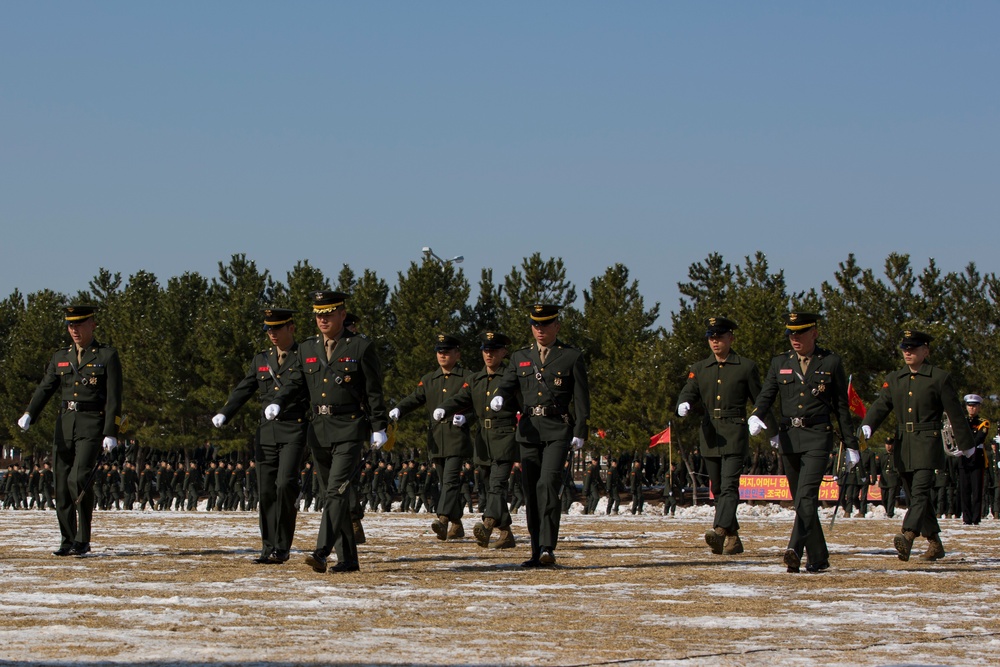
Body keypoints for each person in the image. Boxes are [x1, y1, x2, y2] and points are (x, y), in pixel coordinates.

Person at [266, 291, 388, 574]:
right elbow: (295, 381)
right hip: (319, 431)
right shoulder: (308, 349)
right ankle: (348, 559)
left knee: (336, 491)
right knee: (334, 495)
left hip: (349, 428)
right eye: (319, 314)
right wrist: (278, 401)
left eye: (329, 314)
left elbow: (374, 391)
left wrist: (379, 426)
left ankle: (321, 551)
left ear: (342, 315)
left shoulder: (359, 346)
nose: (322, 319)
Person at [749, 312, 858, 573]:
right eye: (790, 334)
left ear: (814, 333)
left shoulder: (830, 362)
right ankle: (818, 557)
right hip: (789, 438)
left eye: (800, 333)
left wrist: (852, 445)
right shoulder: (780, 363)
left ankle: (794, 549)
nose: (794, 338)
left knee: (807, 495)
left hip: (818, 436)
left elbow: (841, 407)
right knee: (801, 501)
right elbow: (766, 396)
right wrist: (756, 415)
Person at [17, 304, 123, 556]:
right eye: (70, 325)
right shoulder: (59, 357)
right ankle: (67, 540)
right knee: (62, 485)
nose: (73, 329)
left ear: (92, 324)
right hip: (64, 424)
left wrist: (111, 431)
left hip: (92, 423)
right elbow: (46, 388)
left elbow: (114, 398)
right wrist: (30, 412)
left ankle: (82, 538)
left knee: (79, 479)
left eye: (79, 324)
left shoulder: (106, 355)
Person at [860, 330, 974, 561]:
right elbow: (882, 405)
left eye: (913, 348)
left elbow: (955, 412)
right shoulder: (895, 378)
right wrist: (867, 425)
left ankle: (908, 534)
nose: (908, 352)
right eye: (905, 348)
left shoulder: (939, 378)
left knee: (921, 493)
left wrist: (966, 443)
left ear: (925, 351)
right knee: (915, 497)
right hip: (904, 446)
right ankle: (935, 544)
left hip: (928, 444)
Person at [493, 304, 590, 567]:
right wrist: (500, 396)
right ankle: (536, 551)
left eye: (545, 324)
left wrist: (581, 430)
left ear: (556, 326)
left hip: (558, 429)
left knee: (547, 484)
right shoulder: (520, 357)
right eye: (536, 324)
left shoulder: (570, 356)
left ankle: (548, 547)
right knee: (531, 491)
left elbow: (581, 398)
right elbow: (508, 383)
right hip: (529, 431)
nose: (540, 329)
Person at [676, 316, 767, 556]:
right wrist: (683, 402)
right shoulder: (699, 368)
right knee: (717, 486)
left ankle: (719, 531)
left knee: (729, 486)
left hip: (735, 431)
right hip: (710, 433)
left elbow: (760, 399)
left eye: (720, 337)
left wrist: (760, 419)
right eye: (712, 338)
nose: (715, 342)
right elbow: (689, 390)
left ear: (731, 338)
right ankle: (733, 538)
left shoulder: (745, 367)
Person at [435, 331, 520, 549]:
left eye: (494, 350)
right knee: (488, 485)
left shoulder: (511, 378)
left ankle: (488, 523)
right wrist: (444, 408)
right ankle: (506, 533)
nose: (489, 354)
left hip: (505, 437)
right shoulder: (475, 379)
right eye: (485, 350)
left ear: (503, 352)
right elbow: (461, 399)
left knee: (497, 485)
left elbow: (524, 406)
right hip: (483, 440)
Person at [392, 333, 473, 541]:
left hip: (457, 436)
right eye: (439, 352)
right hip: (437, 438)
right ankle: (457, 523)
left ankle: (443, 519)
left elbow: (478, 406)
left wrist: (466, 418)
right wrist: (399, 410)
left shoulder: (468, 377)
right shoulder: (429, 379)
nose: (442, 355)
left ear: (457, 354)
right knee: (445, 481)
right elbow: (415, 399)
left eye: (447, 352)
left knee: (451, 480)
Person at [957, 394, 989, 525]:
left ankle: (976, 518)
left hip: (977, 458)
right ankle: (966, 518)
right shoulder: (962, 422)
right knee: (964, 490)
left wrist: (966, 444)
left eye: (974, 406)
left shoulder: (983, 422)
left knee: (976, 490)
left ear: (979, 407)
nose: (972, 409)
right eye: (969, 406)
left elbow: (979, 438)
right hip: (964, 459)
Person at [877, 437, 901, 518]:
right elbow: (878, 466)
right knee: (884, 498)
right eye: (887, 444)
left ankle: (890, 513)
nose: (888, 446)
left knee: (891, 497)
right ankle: (887, 510)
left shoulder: (896, 455)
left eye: (890, 445)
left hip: (893, 478)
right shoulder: (881, 455)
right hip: (884, 478)